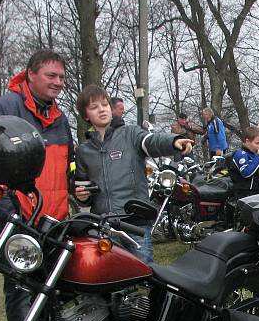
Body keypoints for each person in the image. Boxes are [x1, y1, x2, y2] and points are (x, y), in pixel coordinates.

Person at [0, 48, 74, 321]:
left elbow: (64, 169)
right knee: (20, 287)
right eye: (51, 76)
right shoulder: (5, 108)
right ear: (31, 74)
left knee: (50, 287)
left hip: (52, 217)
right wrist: (6, 212)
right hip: (17, 216)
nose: (58, 83)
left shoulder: (60, 118)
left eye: (62, 77)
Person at [74, 85, 193, 264]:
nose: (101, 110)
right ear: (85, 115)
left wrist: (173, 141)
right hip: (105, 227)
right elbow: (83, 193)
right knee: (111, 279)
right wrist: (82, 197)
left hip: (135, 223)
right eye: (94, 107)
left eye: (104, 104)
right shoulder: (84, 151)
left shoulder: (131, 134)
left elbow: (151, 141)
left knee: (144, 275)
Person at [228, 127, 259, 199]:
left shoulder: (254, 154)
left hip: (257, 191)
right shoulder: (240, 154)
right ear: (248, 141)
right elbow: (246, 173)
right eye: (257, 143)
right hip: (245, 194)